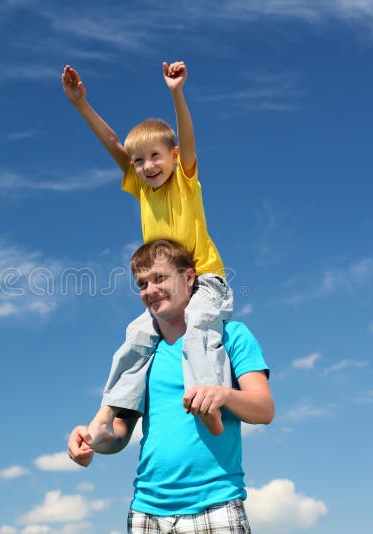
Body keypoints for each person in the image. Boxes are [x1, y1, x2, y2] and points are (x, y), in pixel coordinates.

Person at [62, 61, 234, 443]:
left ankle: (209, 405)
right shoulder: (141, 188)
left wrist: (176, 93)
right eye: (139, 161)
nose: (146, 166)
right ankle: (108, 413)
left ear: (172, 156)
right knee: (136, 336)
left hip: (204, 279)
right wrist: (81, 104)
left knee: (199, 326)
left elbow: (187, 139)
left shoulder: (184, 182)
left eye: (154, 156)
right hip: (168, 286)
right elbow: (113, 145)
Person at [67, 240, 274, 533]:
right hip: (146, 512)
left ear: (189, 278)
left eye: (160, 278)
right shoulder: (142, 354)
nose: (150, 290)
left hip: (215, 505)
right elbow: (121, 434)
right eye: (142, 284)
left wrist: (223, 394)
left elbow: (264, 409)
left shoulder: (232, 336)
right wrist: (93, 441)